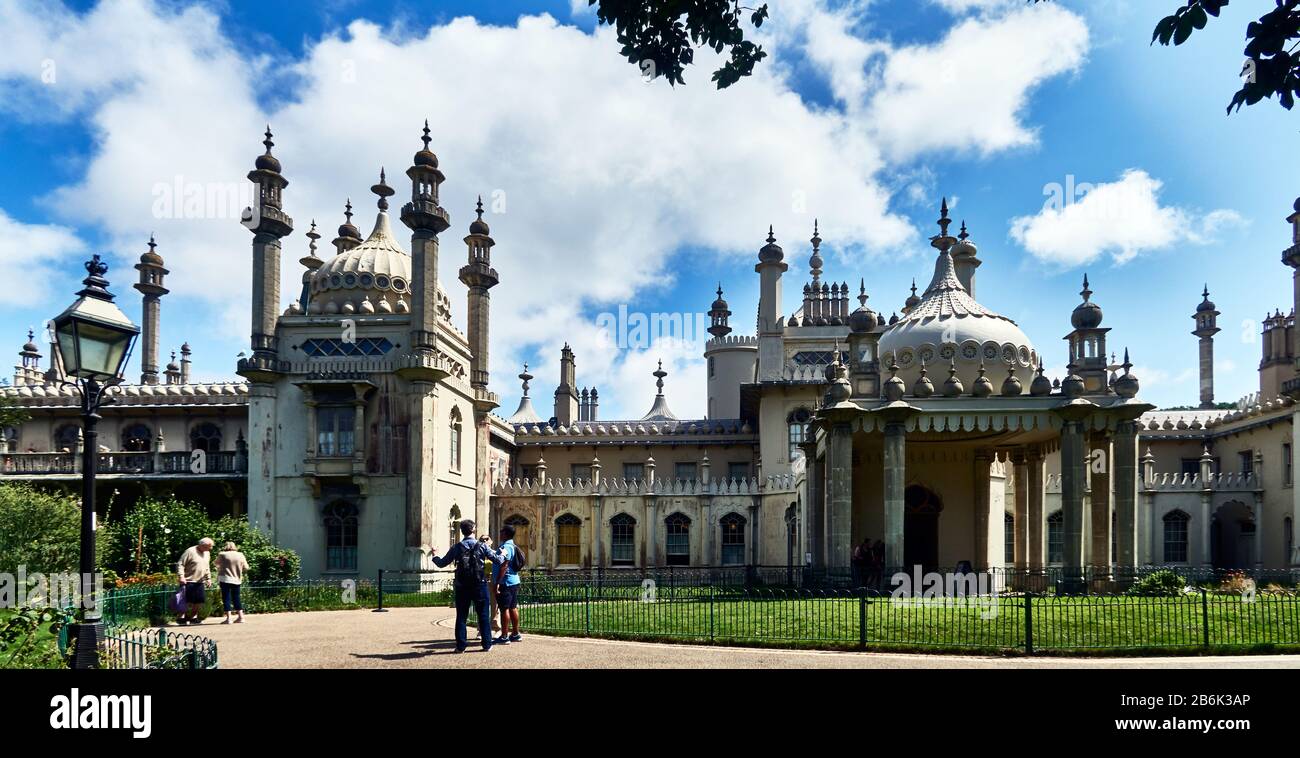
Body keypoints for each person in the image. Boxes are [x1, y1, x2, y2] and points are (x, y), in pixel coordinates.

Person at [431, 519, 503, 653]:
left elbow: (442, 563)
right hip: (479, 583)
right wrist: (503, 554)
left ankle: (461, 646)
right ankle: (487, 644)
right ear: (474, 530)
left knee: (461, 616)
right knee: (483, 614)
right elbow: (497, 560)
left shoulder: (457, 547)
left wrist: (435, 555)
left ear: (462, 531)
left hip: (462, 585)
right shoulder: (482, 546)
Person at [493, 524, 523, 645]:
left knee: (504, 608)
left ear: (505, 533)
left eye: (501, 532)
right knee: (513, 607)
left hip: (505, 582)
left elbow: (504, 565)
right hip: (514, 580)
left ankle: (504, 636)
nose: (500, 533)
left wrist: (497, 582)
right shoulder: (513, 546)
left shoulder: (505, 547)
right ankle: (515, 634)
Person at [176, 538, 214, 624]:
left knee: (199, 601)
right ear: (202, 545)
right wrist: (181, 576)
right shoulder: (190, 551)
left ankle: (193, 617)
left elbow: (207, 566)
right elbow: (180, 564)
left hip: (200, 580)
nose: (210, 549)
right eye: (208, 547)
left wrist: (208, 578)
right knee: (187, 601)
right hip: (188, 580)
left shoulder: (207, 553)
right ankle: (181, 618)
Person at [214, 541, 250, 624]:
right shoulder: (240, 554)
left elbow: (215, 563)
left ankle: (228, 618)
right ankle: (241, 617)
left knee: (226, 598)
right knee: (236, 597)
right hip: (237, 579)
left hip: (225, 578)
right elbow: (246, 567)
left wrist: (221, 567)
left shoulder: (222, 554)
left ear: (226, 546)